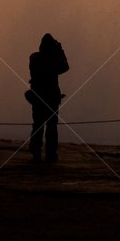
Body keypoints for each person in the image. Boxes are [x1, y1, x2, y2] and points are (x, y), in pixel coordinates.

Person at [26, 32, 69, 163]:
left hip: (38, 97)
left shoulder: (34, 58)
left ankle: (36, 152)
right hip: (51, 98)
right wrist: (60, 50)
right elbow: (65, 67)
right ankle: (50, 154)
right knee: (51, 126)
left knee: (38, 125)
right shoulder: (53, 60)